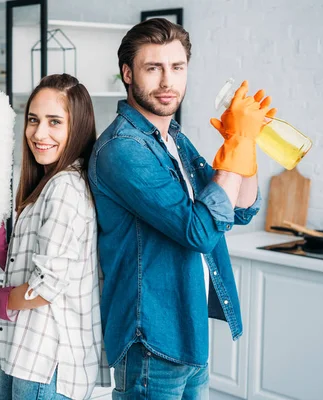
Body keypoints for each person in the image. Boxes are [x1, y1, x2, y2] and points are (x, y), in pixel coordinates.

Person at [87, 18, 276, 399]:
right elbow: (200, 230)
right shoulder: (123, 150)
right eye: (153, 68)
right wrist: (235, 146)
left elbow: (241, 207)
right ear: (127, 74)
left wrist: (246, 146)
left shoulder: (173, 138)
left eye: (177, 67)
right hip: (152, 340)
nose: (167, 81)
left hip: (189, 332)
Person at [0, 73, 110, 400]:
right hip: (25, 355)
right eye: (33, 120)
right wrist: (6, 253)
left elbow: (45, 290)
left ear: (78, 127)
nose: (39, 133)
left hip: (47, 365)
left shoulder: (63, 189)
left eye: (54, 122)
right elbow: (57, 270)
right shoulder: (49, 183)